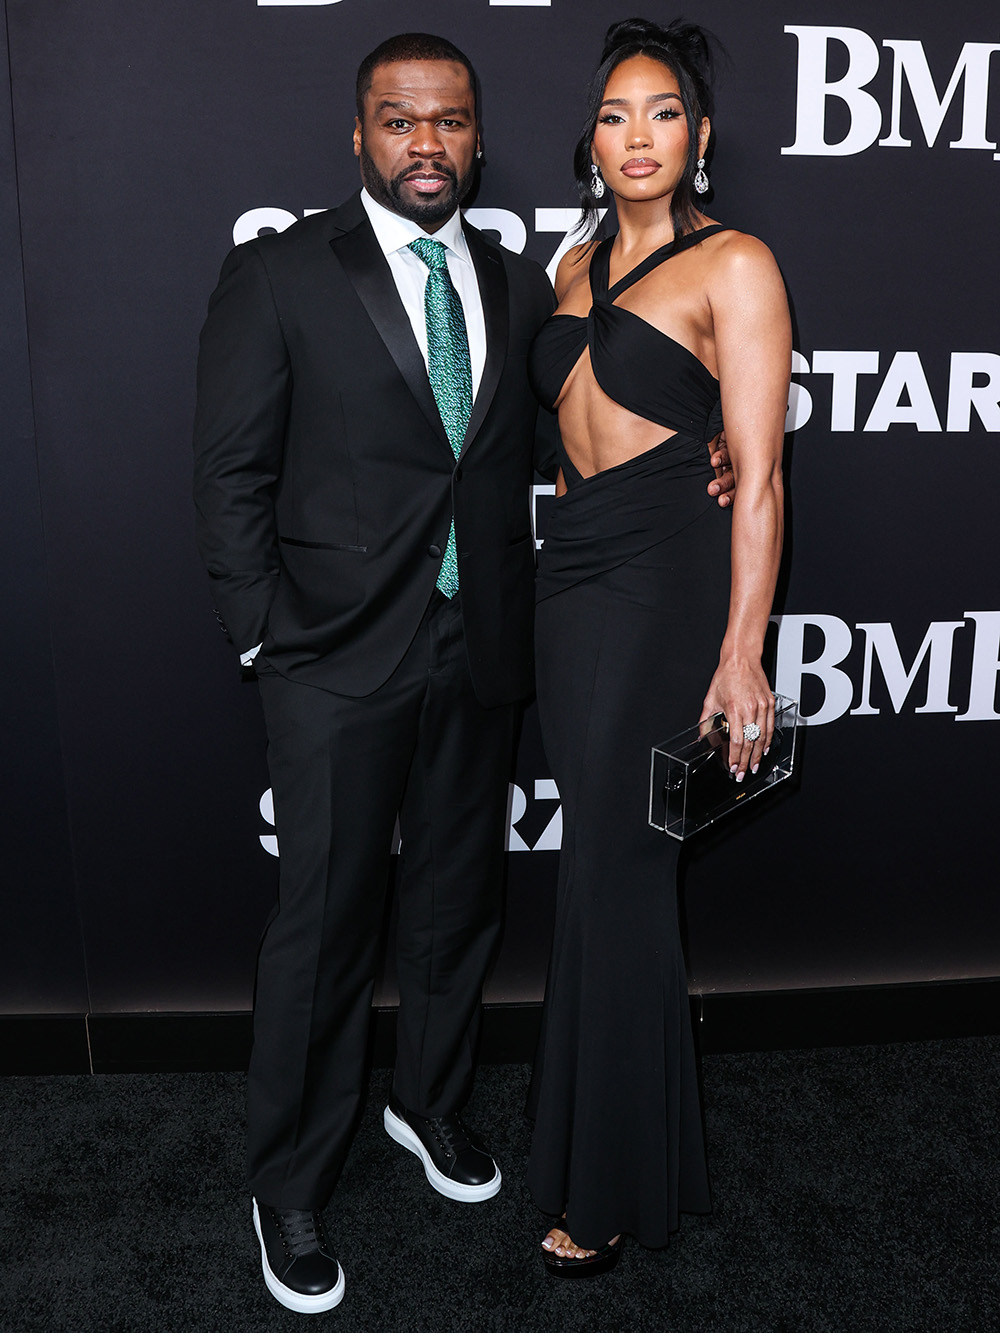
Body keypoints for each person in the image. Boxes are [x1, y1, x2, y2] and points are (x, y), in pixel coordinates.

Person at [193, 29, 734, 1314]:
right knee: (324, 929)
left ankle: (426, 1106)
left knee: (452, 905)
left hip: (480, 642)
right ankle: (292, 1184)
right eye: (399, 120)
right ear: (362, 135)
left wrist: (711, 449)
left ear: (478, 139)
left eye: (448, 123)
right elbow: (228, 476)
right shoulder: (276, 273)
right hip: (330, 658)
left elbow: (598, 418)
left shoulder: (516, 280)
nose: (424, 143)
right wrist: (267, 632)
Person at [525, 18, 790, 1276]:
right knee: (596, 867)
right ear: (592, 138)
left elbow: (761, 479)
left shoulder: (735, 265)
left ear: (699, 136)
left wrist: (741, 650)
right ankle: (600, 1142)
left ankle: (616, 1181)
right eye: (618, 115)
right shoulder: (569, 266)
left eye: (664, 112)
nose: (639, 136)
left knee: (623, 874)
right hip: (571, 577)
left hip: (666, 581)